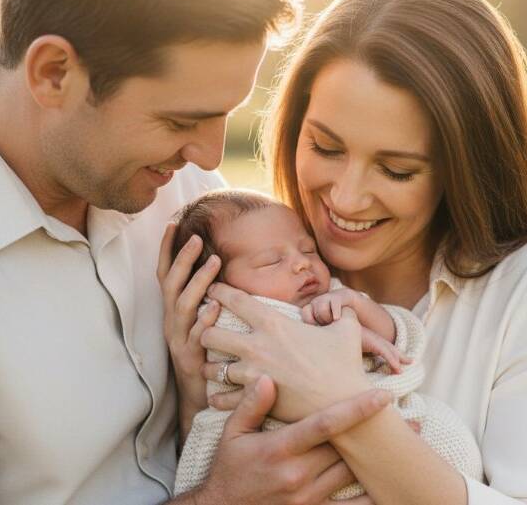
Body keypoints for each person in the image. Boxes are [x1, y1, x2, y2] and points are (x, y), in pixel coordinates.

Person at [0, 0, 527, 504]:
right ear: (52, 75)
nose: (208, 157)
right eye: (182, 118)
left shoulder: (192, 201)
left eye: (224, 116)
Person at [161, 0, 527, 504]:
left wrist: (341, 403)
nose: (347, 200)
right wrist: (191, 395)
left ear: (465, 169)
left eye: (396, 170)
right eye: (326, 148)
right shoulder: (238, 260)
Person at [169, 189, 484, 498]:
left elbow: (406, 340)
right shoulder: (225, 313)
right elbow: (274, 350)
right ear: (212, 285)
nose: (301, 264)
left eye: (308, 250)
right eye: (270, 262)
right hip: (282, 447)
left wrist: (367, 316)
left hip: (397, 450)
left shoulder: (330, 294)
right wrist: (340, 336)